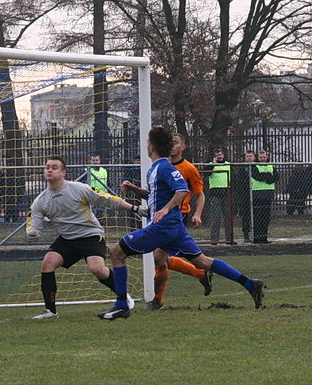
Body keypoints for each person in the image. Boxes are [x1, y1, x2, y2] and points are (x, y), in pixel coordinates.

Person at [99, 127, 265, 320]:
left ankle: (121, 305)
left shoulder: (165, 167)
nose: (146, 146)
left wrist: (166, 209)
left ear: (151, 147)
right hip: (174, 227)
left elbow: (182, 191)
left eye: (146, 143)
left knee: (116, 251)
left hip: (164, 226)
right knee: (202, 261)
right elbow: (156, 196)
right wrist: (136, 189)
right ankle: (250, 284)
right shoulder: (156, 168)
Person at [26, 157, 145, 319]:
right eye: (47, 167)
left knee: (97, 269)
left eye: (54, 167)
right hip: (67, 239)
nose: (49, 170)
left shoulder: (78, 188)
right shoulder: (41, 201)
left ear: (63, 172)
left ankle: (123, 296)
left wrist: (135, 208)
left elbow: (107, 199)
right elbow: (34, 222)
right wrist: (33, 232)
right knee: (47, 264)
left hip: (90, 235)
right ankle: (51, 311)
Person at [122, 132, 212, 310]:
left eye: (176, 143)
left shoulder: (188, 168)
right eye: (170, 142)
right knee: (162, 258)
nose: (172, 146)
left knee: (159, 257)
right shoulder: (160, 167)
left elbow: (199, 193)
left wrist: (198, 213)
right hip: (160, 215)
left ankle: (158, 300)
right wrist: (135, 189)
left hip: (177, 216)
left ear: (183, 147)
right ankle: (199, 273)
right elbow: (154, 195)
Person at [250, 148, 279, 243]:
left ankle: (264, 237)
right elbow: (257, 176)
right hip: (257, 193)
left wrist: (266, 177)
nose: (262, 159)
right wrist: (268, 176)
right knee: (258, 217)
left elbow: (276, 177)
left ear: (267, 157)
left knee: (266, 217)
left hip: (268, 193)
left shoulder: (271, 166)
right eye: (261, 157)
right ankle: (257, 237)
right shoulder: (254, 166)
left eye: (264, 157)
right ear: (258, 158)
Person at [206, 148, 231, 244]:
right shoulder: (211, 165)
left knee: (228, 218)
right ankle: (214, 239)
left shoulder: (228, 164)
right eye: (217, 155)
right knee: (216, 218)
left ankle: (229, 239)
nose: (219, 156)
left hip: (226, 192)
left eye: (220, 155)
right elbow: (207, 173)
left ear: (223, 155)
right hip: (215, 193)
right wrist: (213, 163)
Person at [233, 150, 256, 243]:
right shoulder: (241, 168)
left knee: (256, 215)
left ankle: (257, 235)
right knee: (246, 216)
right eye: (247, 156)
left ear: (254, 157)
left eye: (251, 156)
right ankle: (246, 234)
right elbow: (238, 182)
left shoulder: (257, 167)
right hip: (244, 195)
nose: (249, 158)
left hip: (255, 194)